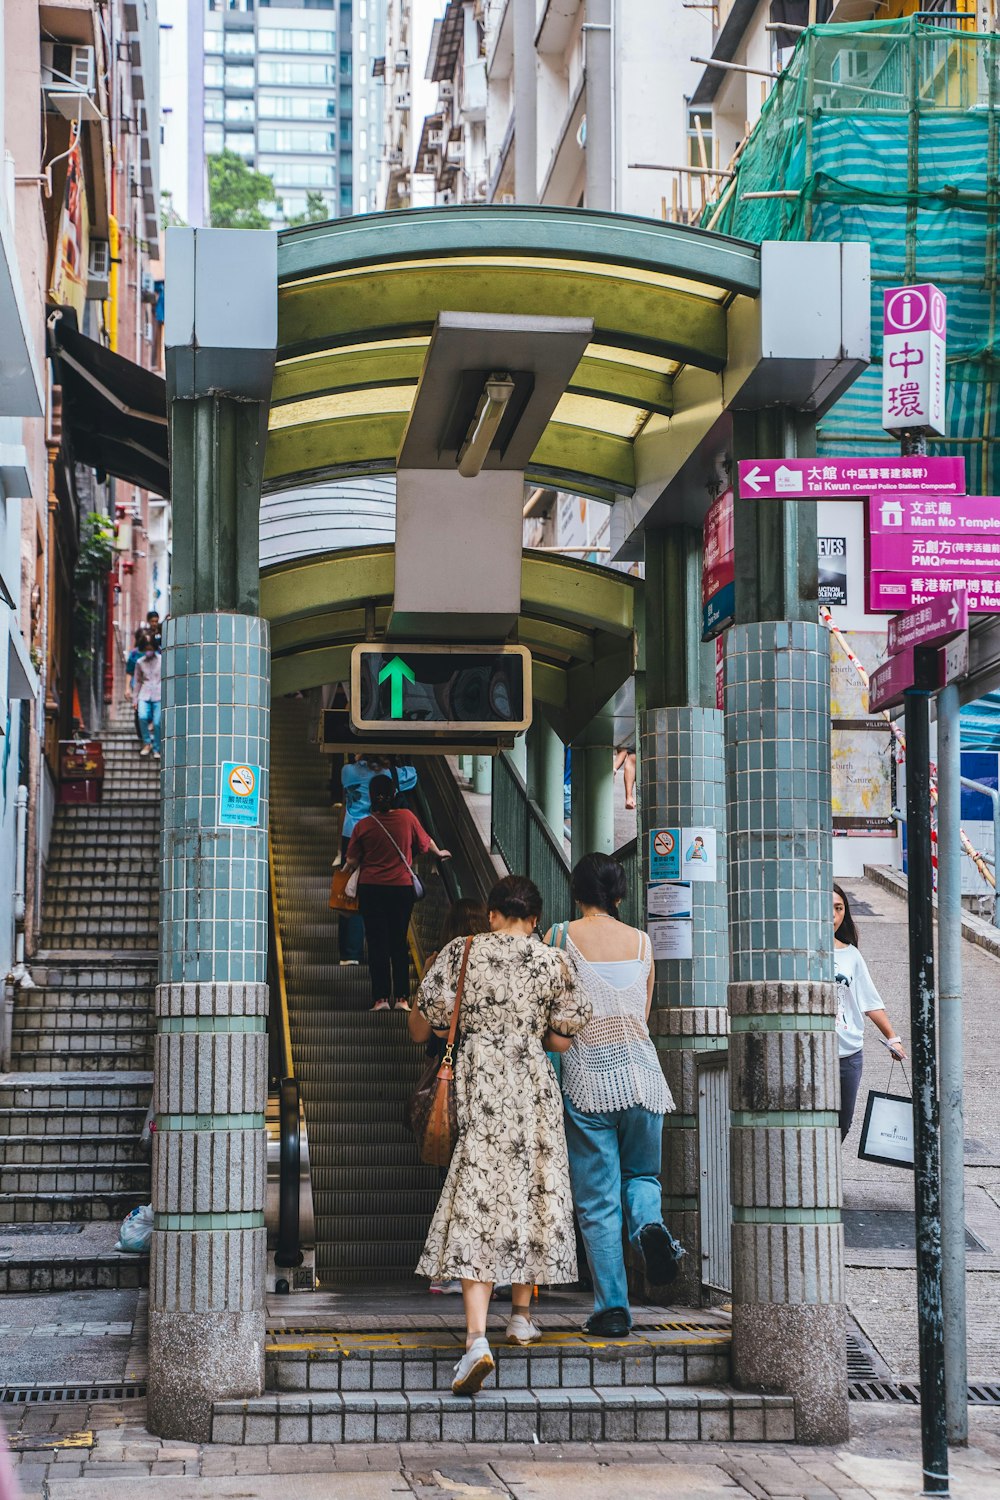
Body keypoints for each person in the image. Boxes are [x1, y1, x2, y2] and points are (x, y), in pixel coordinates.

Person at [414, 875, 592, 1396]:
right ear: (535, 920)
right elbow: (562, 1035)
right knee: (530, 1190)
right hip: (532, 1085)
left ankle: (475, 1340)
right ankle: (519, 1315)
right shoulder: (553, 961)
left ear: (492, 914)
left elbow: (430, 1019)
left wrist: (477, 1026)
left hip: (480, 1082)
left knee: (478, 1197)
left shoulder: (461, 951)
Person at [546, 852, 683, 1337]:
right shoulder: (643, 941)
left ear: (577, 893)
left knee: (598, 1199)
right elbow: (642, 1014)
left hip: (588, 1082)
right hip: (645, 1077)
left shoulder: (560, 938)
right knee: (643, 1175)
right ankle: (648, 1224)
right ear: (619, 895)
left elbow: (553, 1015)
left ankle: (613, 1307)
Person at [411, 897, 491, 1296]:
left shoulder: (437, 962)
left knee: (453, 1178)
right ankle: (490, 1268)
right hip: (491, 1082)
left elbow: (418, 1032)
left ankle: (449, 1269)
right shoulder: (497, 964)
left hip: (449, 1081)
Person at [344, 775, 450, 1011]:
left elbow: (351, 859)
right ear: (394, 794)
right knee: (398, 942)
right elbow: (425, 843)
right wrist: (439, 852)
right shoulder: (407, 818)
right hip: (401, 889)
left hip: (371, 889)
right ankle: (402, 998)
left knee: (376, 942)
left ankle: (380, 999)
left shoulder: (364, 825)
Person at [834, 883, 906, 1141]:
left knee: (843, 1123)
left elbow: (870, 1002)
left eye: (839, 908)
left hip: (848, 1055)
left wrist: (892, 1038)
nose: (833, 914)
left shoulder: (851, 955)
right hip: (812, 1051)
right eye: (827, 907)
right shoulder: (801, 953)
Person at [337, 756, 419, 967]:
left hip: (352, 832)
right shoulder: (392, 774)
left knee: (350, 888)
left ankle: (350, 953)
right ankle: (389, 948)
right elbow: (413, 776)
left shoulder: (348, 771)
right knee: (379, 885)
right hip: (382, 833)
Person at [130, 637, 162, 759]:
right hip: (144, 693)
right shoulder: (139, 662)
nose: (148, 651)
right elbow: (137, 681)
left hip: (159, 695)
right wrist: (134, 699)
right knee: (142, 716)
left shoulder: (161, 660)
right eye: (146, 648)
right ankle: (147, 743)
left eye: (150, 648)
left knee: (157, 722)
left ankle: (157, 748)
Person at [123, 628, 148, 743]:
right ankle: (141, 734)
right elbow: (129, 671)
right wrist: (127, 688)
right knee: (138, 708)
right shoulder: (134, 653)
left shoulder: (156, 651)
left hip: (153, 686)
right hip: (138, 685)